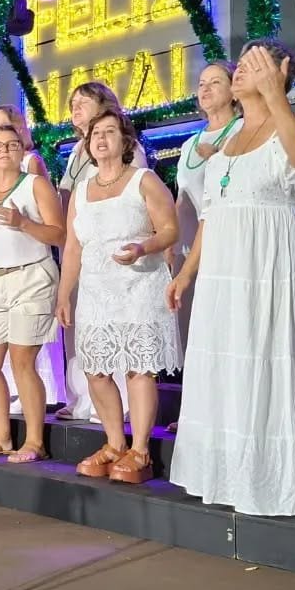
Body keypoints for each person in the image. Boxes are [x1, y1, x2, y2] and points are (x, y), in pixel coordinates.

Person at [168, 41, 295, 517]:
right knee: (225, 361)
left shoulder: (291, 125)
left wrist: (277, 96)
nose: (239, 73)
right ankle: (224, 475)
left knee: (263, 356)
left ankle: (266, 481)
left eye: (253, 65)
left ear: (281, 72)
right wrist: (186, 274)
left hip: (268, 260)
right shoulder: (226, 139)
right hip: (222, 267)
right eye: (241, 65)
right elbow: (212, 213)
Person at [58, 107, 181, 480]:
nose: (101, 138)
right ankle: (114, 443)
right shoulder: (80, 191)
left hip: (140, 285)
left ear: (125, 141)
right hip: (96, 290)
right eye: (95, 133)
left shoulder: (143, 180)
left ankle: (140, 451)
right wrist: (64, 294)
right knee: (95, 369)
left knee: (138, 368)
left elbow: (170, 229)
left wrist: (143, 248)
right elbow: (74, 247)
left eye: (109, 131)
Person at [0, 122, 65, 463]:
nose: (4, 150)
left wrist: (23, 223)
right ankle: (2, 435)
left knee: (22, 361)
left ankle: (35, 441)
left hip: (31, 279)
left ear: (22, 151)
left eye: (12, 144)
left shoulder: (35, 185)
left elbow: (59, 235)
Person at [55, 81, 148, 423]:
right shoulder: (78, 152)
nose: (75, 108)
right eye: (72, 103)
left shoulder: (128, 147)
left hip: (117, 253)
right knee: (86, 330)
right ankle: (84, 399)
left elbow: (134, 199)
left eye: (83, 101)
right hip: (83, 249)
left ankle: (120, 405)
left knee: (117, 329)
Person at [170, 62, 241, 412]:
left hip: (225, 248)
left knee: (224, 332)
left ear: (233, 89)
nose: (206, 89)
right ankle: (197, 412)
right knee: (195, 335)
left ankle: (225, 409)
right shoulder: (188, 145)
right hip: (187, 252)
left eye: (216, 82)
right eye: (202, 83)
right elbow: (182, 199)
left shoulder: (243, 131)